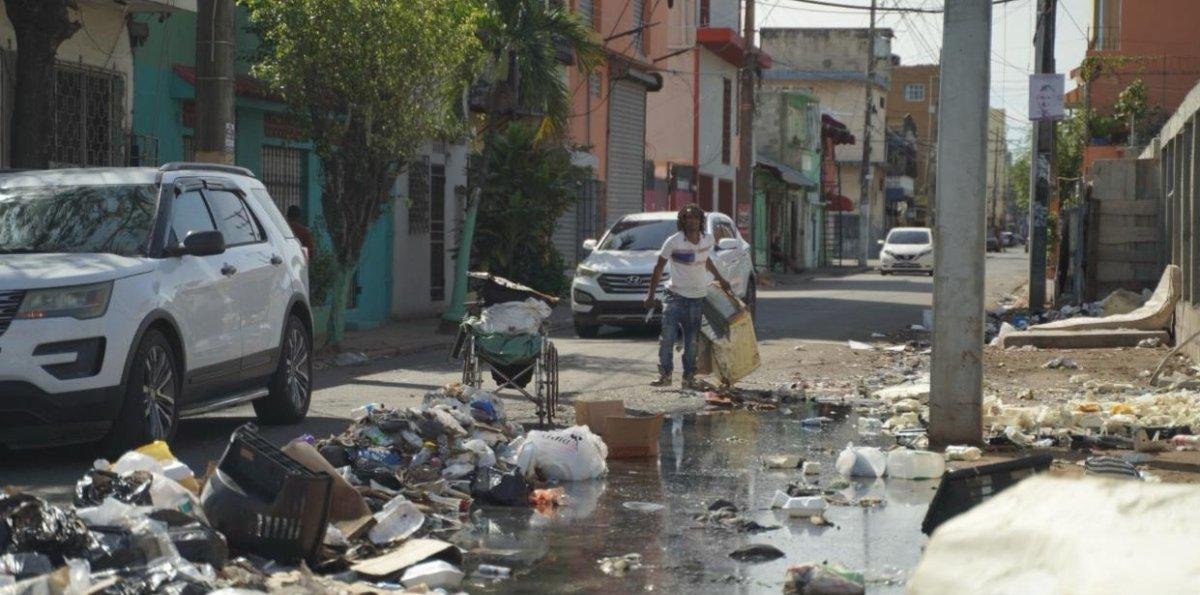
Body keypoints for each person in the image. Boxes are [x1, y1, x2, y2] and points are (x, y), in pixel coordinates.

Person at [644, 204, 732, 389]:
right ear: (682, 221)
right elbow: (659, 267)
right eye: (687, 217)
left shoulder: (708, 239)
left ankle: (689, 378)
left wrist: (721, 279)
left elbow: (705, 259)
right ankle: (665, 375)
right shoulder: (673, 241)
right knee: (667, 338)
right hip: (673, 296)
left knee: (692, 341)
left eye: (694, 217)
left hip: (696, 298)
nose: (691, 220)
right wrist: (650, 295)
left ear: (701, 220)